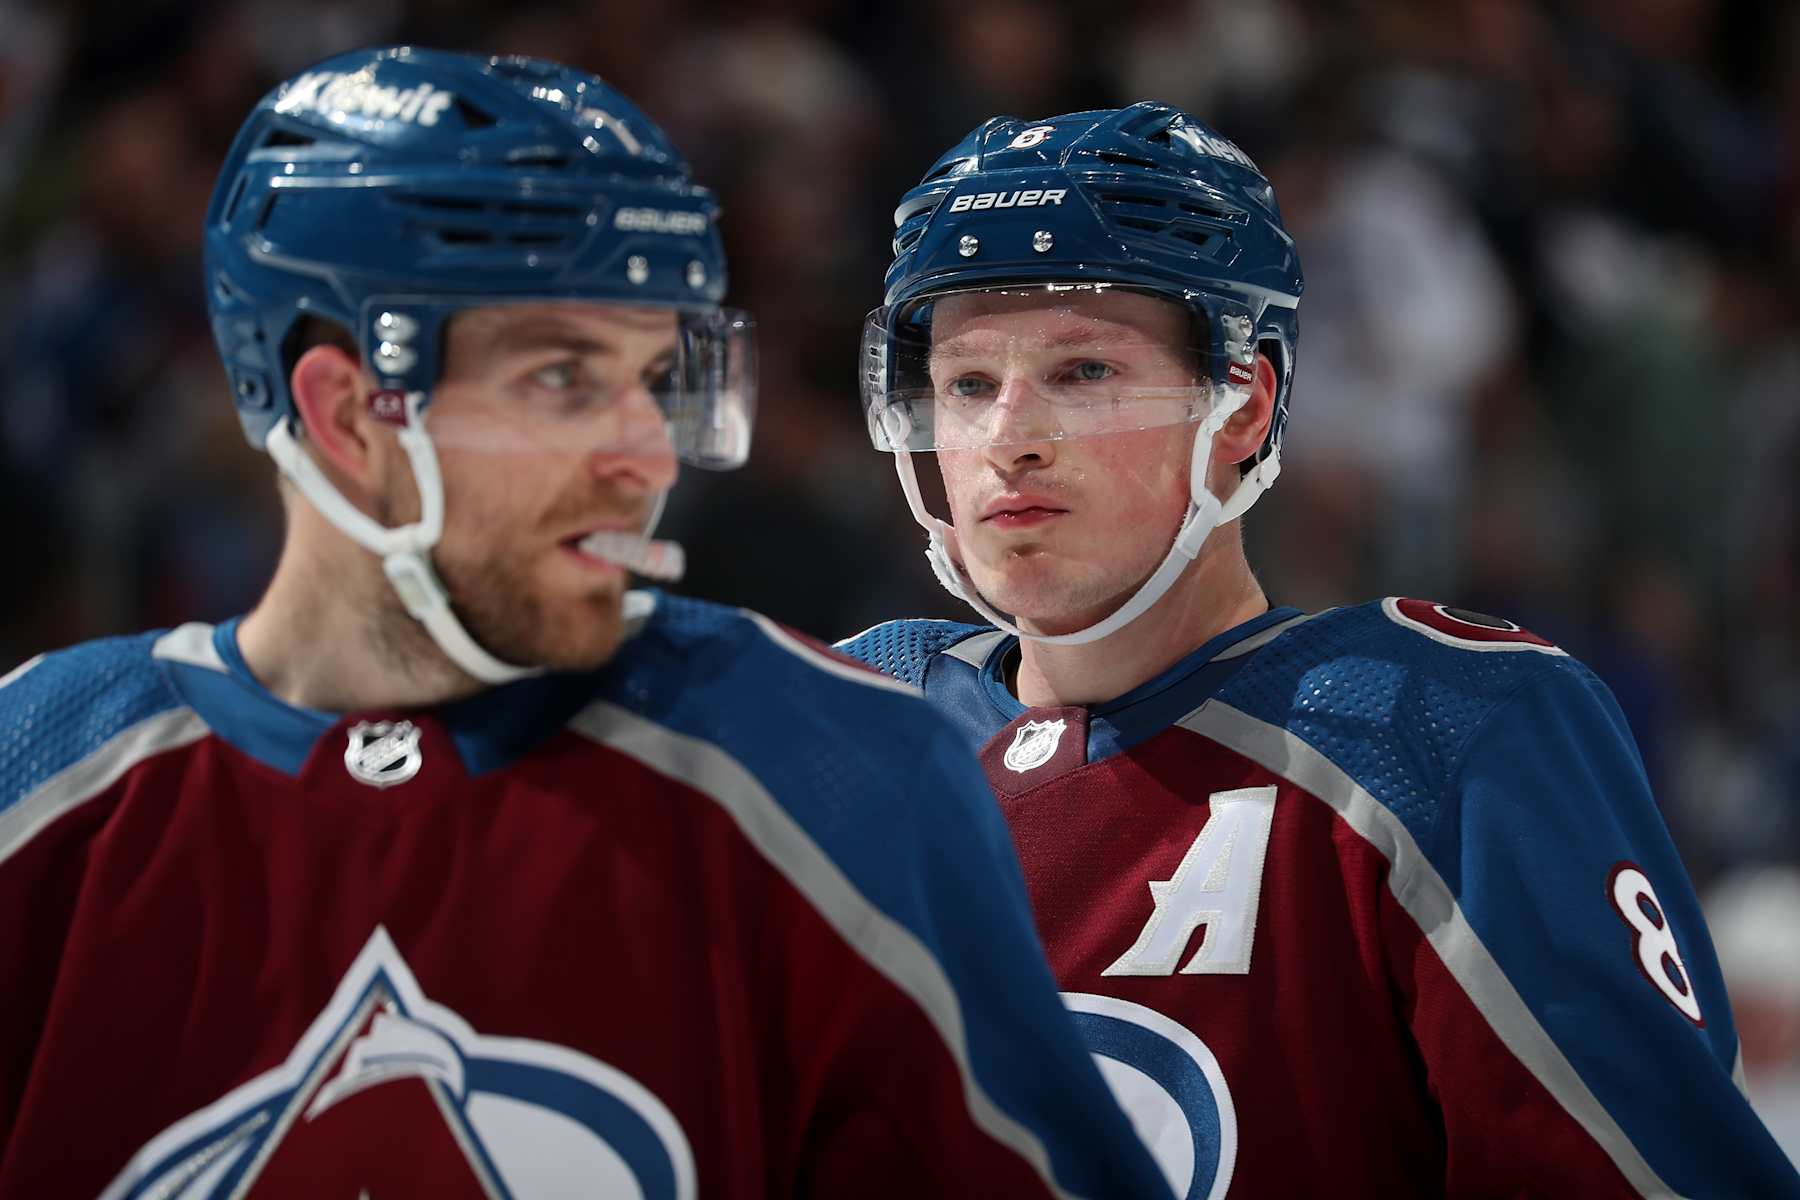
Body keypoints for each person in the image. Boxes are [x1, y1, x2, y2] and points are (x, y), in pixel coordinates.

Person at [0, 49, 1171, 1199]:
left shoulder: (838, 775)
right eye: (564, 379)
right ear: (347, 412)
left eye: (658, 377)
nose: (646, 456)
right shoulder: (36, 779)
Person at [839, 102, 1800, 1198]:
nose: (1010, 436)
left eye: (1083, 373)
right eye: (968, 384)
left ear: (1243, 406)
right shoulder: (853, 722)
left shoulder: (1433, 728)